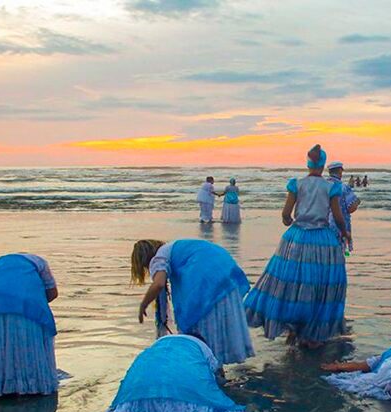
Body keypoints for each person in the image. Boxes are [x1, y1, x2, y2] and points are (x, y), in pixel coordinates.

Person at [73, 334, 259, 412]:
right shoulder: (203, 349)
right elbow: (216, 379)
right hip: (182, 404)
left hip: (137, 400)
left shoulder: (157, 346)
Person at [244, 144, 350, 347]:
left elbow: (286, 214)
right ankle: (310, 334)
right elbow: (337, 217)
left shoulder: (296, 184)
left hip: (297, 237)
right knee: (319, 285)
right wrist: (345, 233)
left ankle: (292, 328)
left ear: (308, 163)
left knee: (290, 283)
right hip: (323, 240)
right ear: (323, 165)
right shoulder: (331, 187)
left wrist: (289, 222)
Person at [131, 239, 254, 364]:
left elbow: (159, 284)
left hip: (206, 281)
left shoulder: (160, 256)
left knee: (198, 335)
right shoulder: (176, 248)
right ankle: (225, 368)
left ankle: (212, 372)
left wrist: (143, 305)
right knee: (216, 332)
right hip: (226, 272)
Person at [0, 254, 59, 396]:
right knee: (23, 340)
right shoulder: (40, 263)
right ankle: (26, 384)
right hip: (23, 298)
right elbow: (52, 293)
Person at [327, 161, 360, 252]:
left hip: (322, 227)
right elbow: (351, 208)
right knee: (339, 254)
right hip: (339, 226)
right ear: (339, 171)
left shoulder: (322, 185)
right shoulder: (343, 188)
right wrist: (357, 202)